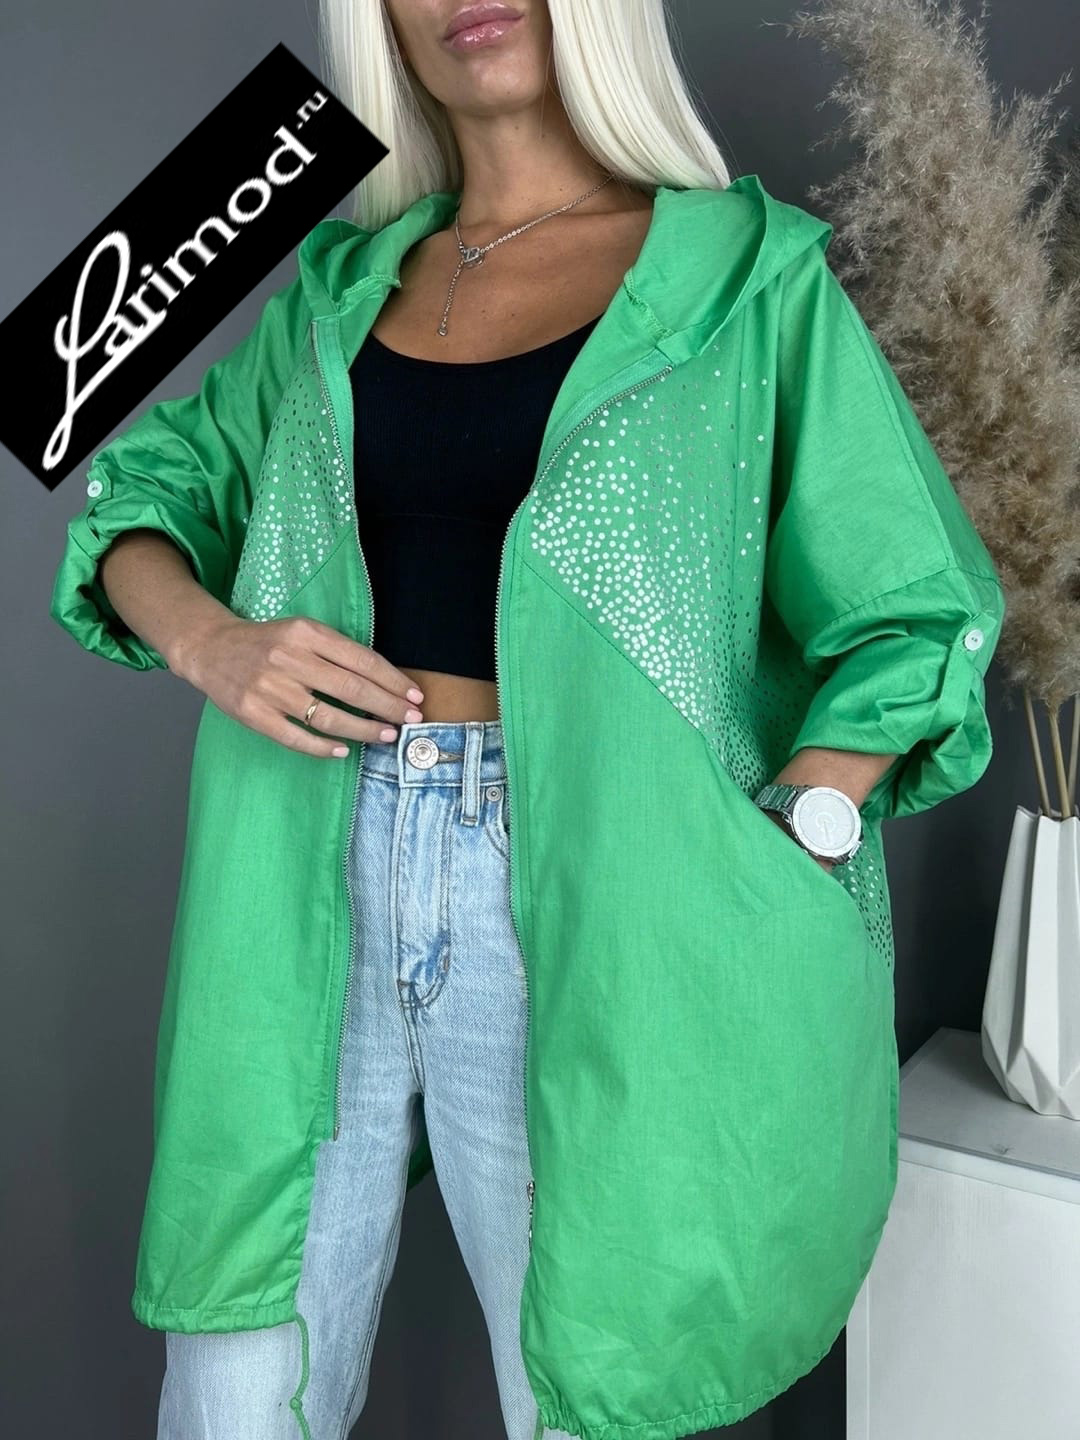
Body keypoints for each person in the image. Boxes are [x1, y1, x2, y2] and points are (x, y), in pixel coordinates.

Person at [49, 1, 1007, 1437]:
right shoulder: (336, 291)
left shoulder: (740, 282)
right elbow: (145, 490)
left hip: (602, 892)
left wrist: (800, 827)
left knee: (593, 1380)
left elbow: (915, 605)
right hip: (306, 865)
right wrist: (211, 640)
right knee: (233, 1387)